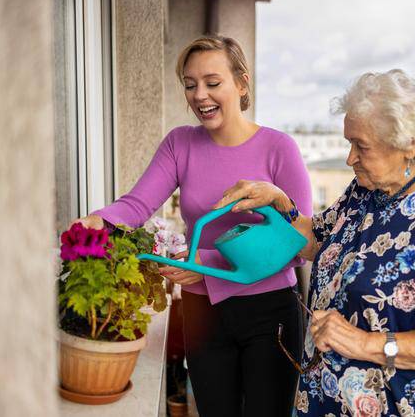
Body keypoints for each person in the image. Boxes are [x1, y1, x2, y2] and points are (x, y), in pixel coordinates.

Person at [214, 69, 415, 416]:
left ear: (408, 145)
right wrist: (279, 201)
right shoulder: (369, 189)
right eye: (350, 143)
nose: (350, 158)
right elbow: (316, 241)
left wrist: (365, 343)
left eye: (361, 146)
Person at [73, 35, 311, 417]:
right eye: (189, 84)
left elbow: (298, 244)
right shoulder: (179, 143)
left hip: (269, 313)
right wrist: (98, 221)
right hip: (203, 311)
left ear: (242, 83)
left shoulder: (279, 148)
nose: (200, 95)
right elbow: (136, 204)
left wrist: (204, 261)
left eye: (212, 83)